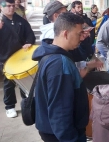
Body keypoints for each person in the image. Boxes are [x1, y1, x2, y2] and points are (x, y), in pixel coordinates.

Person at [32, 12, 89, 142]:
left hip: (52, 129)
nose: (81, 38)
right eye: (79, 34)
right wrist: (70, 139)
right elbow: (60, 110)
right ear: (65, 33)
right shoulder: (59, 63)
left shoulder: (49, 52)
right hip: (61, 135)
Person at [0, 0, 35, 118]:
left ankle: (27, 101)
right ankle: (10, 106)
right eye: (8, 6)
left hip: (21, 56)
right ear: (1, 7)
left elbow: (30, 33)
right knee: (9, 82)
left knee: (24, 78)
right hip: (4, 57)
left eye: (13, 6)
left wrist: (29, 42)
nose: (11, 8)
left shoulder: (20, 20)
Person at [40, 0, 103, 77]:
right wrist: (82, 72)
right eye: (65, 13)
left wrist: (87, 64)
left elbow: (71, 59)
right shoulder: (53, 35)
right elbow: (65, 67)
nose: (68, 15)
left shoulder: (58, 35)